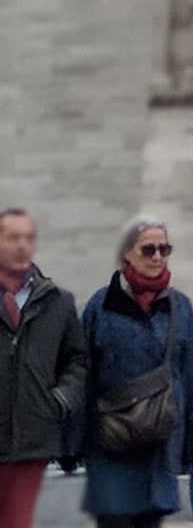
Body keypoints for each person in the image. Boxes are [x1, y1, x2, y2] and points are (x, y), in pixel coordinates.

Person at [77, 219, 193, 527]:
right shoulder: (100, 306)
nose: (158, 256)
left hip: (159, 440)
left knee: (149, 520)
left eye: (164, 249)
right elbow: (81, 372)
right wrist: (71, 440)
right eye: (149, 249)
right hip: (111, 441)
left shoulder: (179, 306)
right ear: (127, 253)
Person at [0, 207, 88, 528]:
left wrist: (59, 402)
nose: (22, 245)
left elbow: (77, 360)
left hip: (31, 439)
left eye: (28, 238)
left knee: (17, 522)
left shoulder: (57, 303)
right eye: (12, 237)